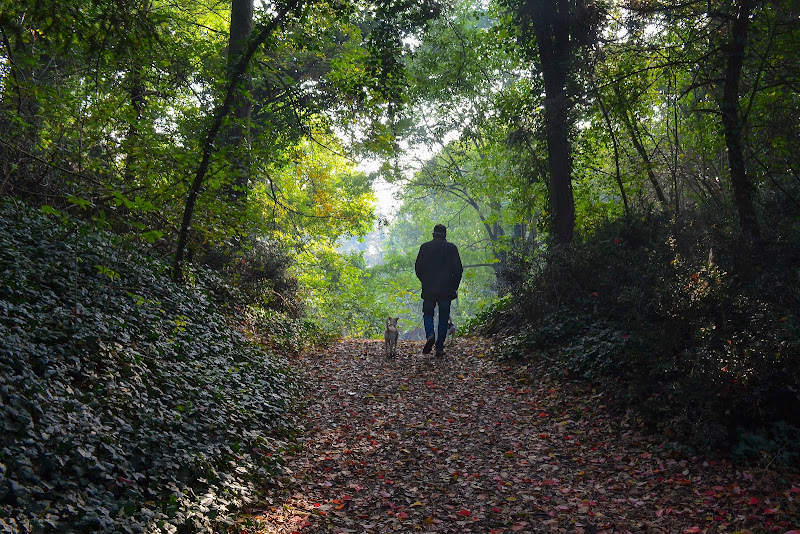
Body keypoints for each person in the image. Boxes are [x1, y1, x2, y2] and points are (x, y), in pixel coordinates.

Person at [415, 224, 463, 356]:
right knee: (443, 318)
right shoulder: (451, 248)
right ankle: (439, 347)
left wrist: (425, 281)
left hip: (429, 288)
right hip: (446, 289)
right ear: (445, 235)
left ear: (433, 234)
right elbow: (458, 270)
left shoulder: (425, 247)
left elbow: (418, 268)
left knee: (428, 314)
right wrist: (454, 286)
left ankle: (430, 334)